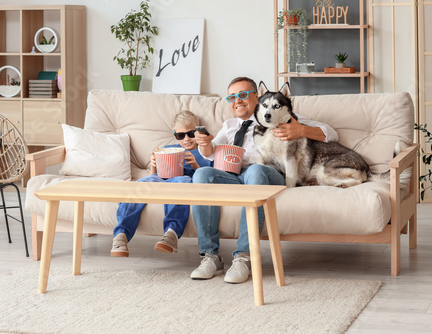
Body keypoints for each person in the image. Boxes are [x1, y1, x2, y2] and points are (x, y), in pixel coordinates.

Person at [190, 77, 338, 283]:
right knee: (201, 174)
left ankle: (243, 256)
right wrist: (204, 143)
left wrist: (301, 130)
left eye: (243, 95)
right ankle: (209, 256)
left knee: (256, 171)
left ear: (257, 97)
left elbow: (331, 133)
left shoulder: (279, 114)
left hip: (266, 175)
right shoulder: (229, 125)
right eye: (232, 97)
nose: (237, 101)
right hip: (235, 175)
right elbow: (211, 153)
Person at [111, 110, 212, 257]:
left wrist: (195, 165)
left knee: (182, 182)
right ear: (175, 135)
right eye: (180, 135)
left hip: (184, 178)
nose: (186, 139)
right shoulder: (170, 148)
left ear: (197, 132)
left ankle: (171, 234)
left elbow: (207, 177)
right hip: (161, 177)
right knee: (139, 185)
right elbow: (153, 176)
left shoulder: (205, 152)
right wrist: (153, 165)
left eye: (190, 134)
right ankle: (121, 235)